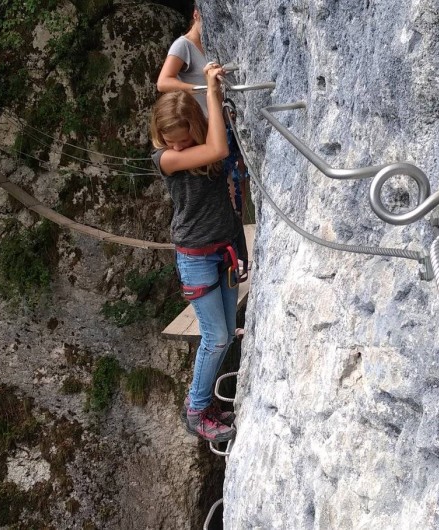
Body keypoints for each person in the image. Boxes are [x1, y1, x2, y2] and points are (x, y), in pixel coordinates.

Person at [150, 63, 238, 443]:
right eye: (170, 139)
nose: (177, 147)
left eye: (183, 139)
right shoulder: (164, 159)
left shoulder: (202, 143)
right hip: (196, 256)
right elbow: (218, 147)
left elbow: (219, 144)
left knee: (227, 335)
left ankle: (208, 406)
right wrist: (211, 90)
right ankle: (196, 410)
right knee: (215, 337)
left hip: (224, 248)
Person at [157, 6, 209, 114]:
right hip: (201, 121)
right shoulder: (183, 44)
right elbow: (163, 83)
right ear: (196, 15)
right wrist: (202, 89)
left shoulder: (212, 44)